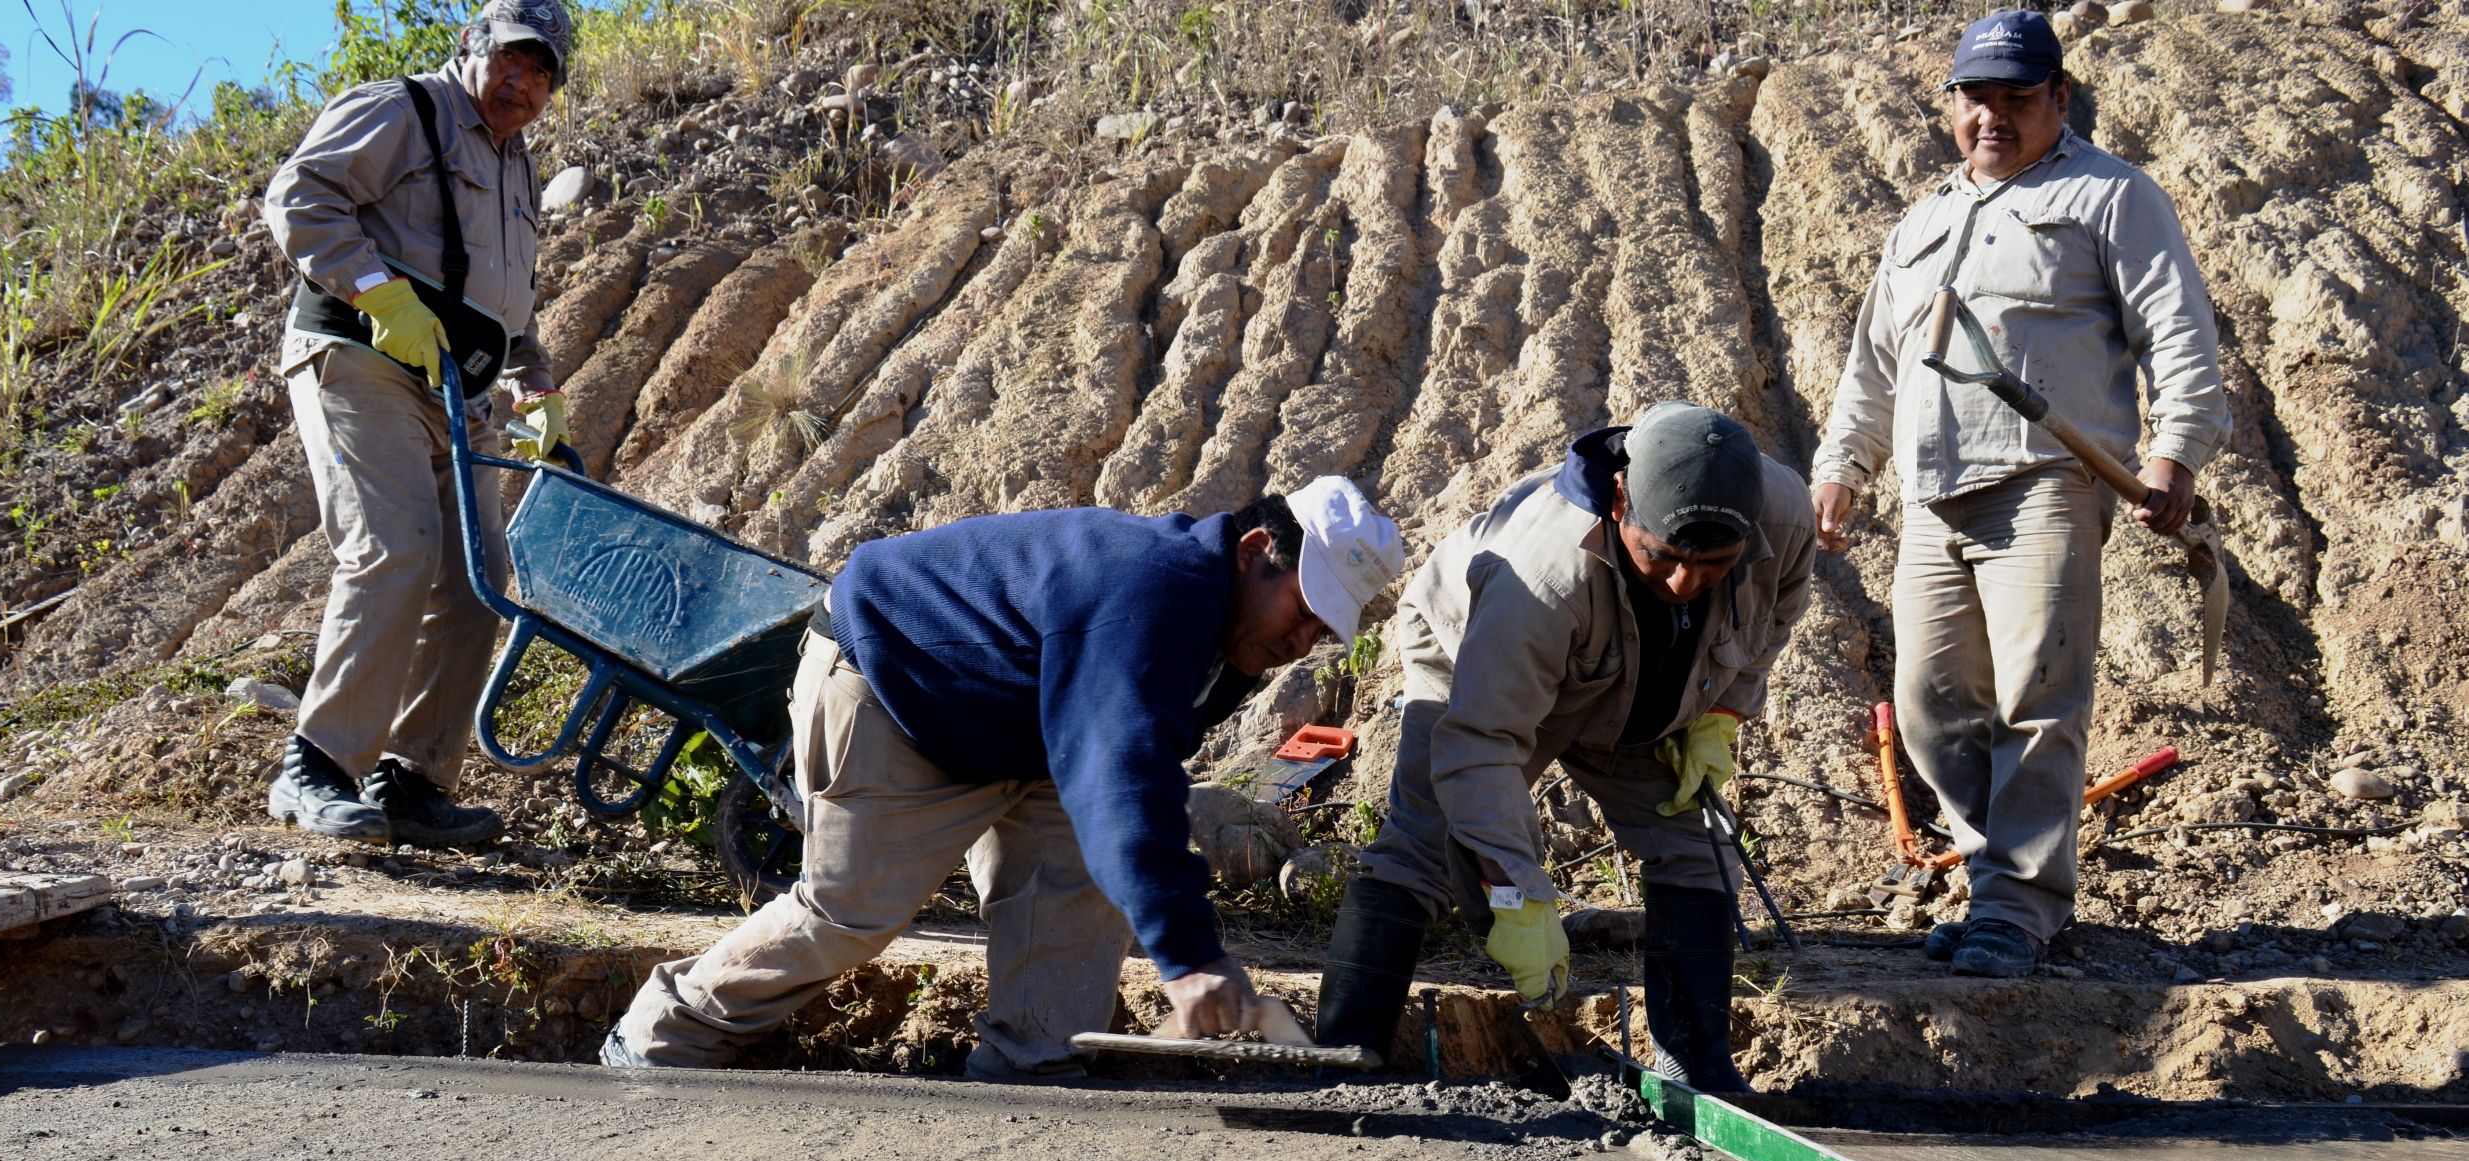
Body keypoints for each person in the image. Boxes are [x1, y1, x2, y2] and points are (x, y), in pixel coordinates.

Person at [599, 479, 1407, 1079]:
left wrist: (1175, 924)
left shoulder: (1229, 635)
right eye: (1303, 611)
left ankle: (1033, 1071)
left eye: (1322, 628)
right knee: (852, 910)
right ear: (1253, 553)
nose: (1303, 641)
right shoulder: (1152, 594)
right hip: (895, 686)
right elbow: (1117, 772)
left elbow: (1138, 778)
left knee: (1078, 885)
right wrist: (1190, 957)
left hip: (1022, 724)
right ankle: (658, 1038)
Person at [1809, 9, 2229, 977]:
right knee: (1925, 704)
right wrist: (1845, 465)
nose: (1993, 118)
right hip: (1932, 492)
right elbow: (1875, 364)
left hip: (2045, 483)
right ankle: (2003, 870)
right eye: (1977, 99)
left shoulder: (2111, 198)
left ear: (2059, 101)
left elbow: (2179, 331)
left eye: (2017, 99)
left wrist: (2176, 455)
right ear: (1951, 104)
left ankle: (2019, 905)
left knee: (2040, 694)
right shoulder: (1922, 223)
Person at [1313, 404, 1813, 1094]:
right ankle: (1343, 1054)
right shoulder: (1540, 578)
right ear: (1618, 502)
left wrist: (1722, 711)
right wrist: (1518, 895)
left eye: (1714, 565)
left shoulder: (1784, 515)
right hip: (1480, 659)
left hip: (1638, 687)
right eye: (1662, 556)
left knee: (1697, 849)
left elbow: (1779, 609)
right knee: (1422, 844)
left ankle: (1697, 1071)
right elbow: (1482, 743)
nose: (1682, 585)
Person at [260, 0, 578, 847]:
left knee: (478, 576)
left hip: (457, 389)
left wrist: (535, 387)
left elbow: (504, 302)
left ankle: (411, 780)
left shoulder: (515, 163)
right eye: (510, 59)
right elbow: (301, 195)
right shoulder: (404, 110)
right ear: (470, 49)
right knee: (394, 547)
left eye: (542, 71)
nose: (522, 82)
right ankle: (316, 768)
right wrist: (375, 290)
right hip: (360, 358)